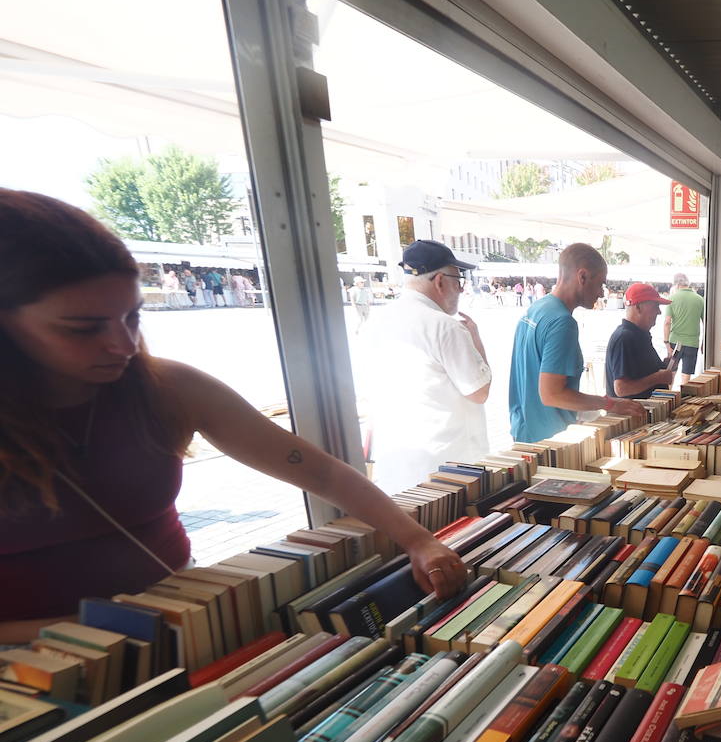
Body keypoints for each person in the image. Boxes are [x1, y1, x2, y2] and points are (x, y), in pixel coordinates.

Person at [0, 191, 470, 644]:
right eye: (82, 328)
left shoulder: (168, 388)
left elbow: (321, 470)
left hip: (173, 630)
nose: (123, 346)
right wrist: (75, 632)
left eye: (132, 317)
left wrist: (417, 540)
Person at [359, 241, 491, 497]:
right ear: (440, 281)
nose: (461, 288)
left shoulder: (376, 320)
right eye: (458, 280)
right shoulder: (445, 326)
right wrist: (476, 341)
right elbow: (479, 391)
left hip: (397, 464)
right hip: (447, 468)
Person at [508, 243, 646, 442]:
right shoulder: (563, 323)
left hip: (524, 431)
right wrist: (609, 403)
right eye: (600, 284)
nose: (601, 293)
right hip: (549, 440)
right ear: (582, 277)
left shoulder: (537, 308)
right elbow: (552, 395)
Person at [605, 283, 676, 399]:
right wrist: (658, 377)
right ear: (638, 307)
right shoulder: (624, 338)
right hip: (632, 415)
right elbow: (621, 389)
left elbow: (642, 372)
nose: (659, 312)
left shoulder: (639, 334)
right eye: (655, 306)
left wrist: (664, 367)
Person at [663, 272, 704, 375]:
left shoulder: (672, 298)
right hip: (692, 343)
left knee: (670, 374)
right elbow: (706, 324)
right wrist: (703, 342)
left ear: (676, 284)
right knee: (686, 376)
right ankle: (685, 392)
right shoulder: (700, 299)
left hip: (675, 344)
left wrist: (667, 343)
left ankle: (669, 392)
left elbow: (667, 322)